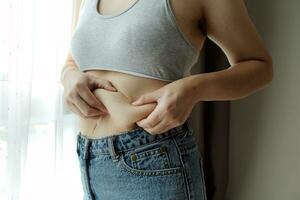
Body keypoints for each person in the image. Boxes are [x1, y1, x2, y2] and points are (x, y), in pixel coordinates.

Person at [60, 0, 273, 199]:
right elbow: (73, 61)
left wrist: (193, 88)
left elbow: (259, 66)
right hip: (90, 159)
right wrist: (69, 77)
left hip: (153, 160)